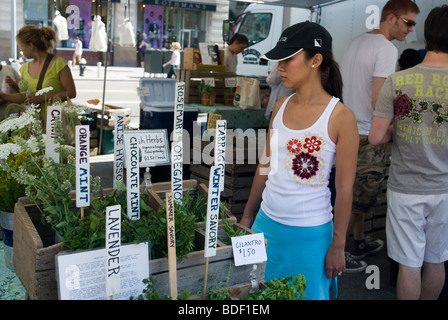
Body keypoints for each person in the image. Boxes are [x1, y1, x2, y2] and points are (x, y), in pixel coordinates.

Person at [240, 22, 359, 300]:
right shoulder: (280, 107)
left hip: (312, 237)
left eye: (288, 58)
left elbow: (344, 188)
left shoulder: (341, 117)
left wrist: (338, 245)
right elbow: (265, 165)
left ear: (315, 60)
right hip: (266, 227)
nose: (279, 66)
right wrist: (248, 218)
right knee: (257, 297)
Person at [369, 5, 448, 300]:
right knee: (436, 260)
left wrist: (398, 129)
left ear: (426, 40)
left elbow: (376, 137)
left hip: (406, 189)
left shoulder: (398, 81)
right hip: (445, 189)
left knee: (409, 265)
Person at [340, 0, 420, 272]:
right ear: (392, 18)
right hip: (366, 133)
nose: (411, 30)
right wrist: (401, 125)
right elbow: (380, 100)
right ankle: (337, 252)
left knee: (352, 191)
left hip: (348, 130)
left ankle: (359, 240)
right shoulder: (386, 49)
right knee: (359, 194)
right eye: (408, 22)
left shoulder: (356, 42)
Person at [0, 25, 76, 116]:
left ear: (31, 46)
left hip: (55, 121)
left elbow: (71, 93)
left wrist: (42, 98)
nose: (21, 50)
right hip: (33, 122)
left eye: (22, 46)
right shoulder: (25, 68)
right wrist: (4, 95)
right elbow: (26, 97)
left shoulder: (58, 64)